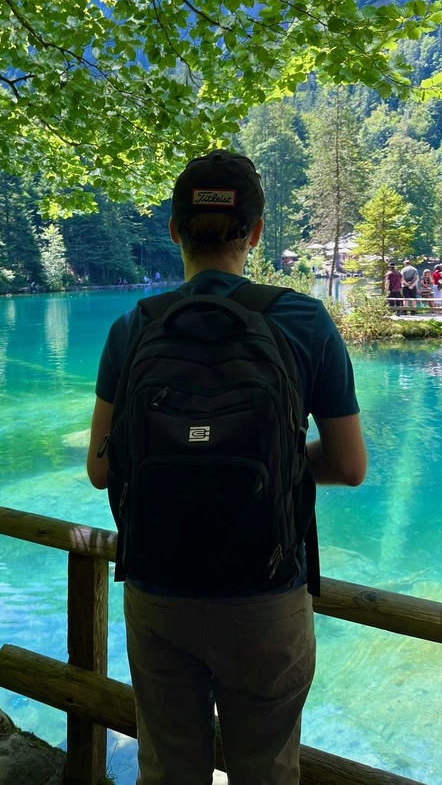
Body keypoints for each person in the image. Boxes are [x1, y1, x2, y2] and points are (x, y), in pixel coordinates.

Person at [86, 150, 367, 785]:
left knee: (167, 768)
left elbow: (103, 471)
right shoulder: (303, 320)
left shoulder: (133, 327)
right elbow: (350, 466)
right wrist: (274, 466)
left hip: (159, 587)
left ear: (173, 229)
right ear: (258, 230)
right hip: (267, 593)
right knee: (266, 771)